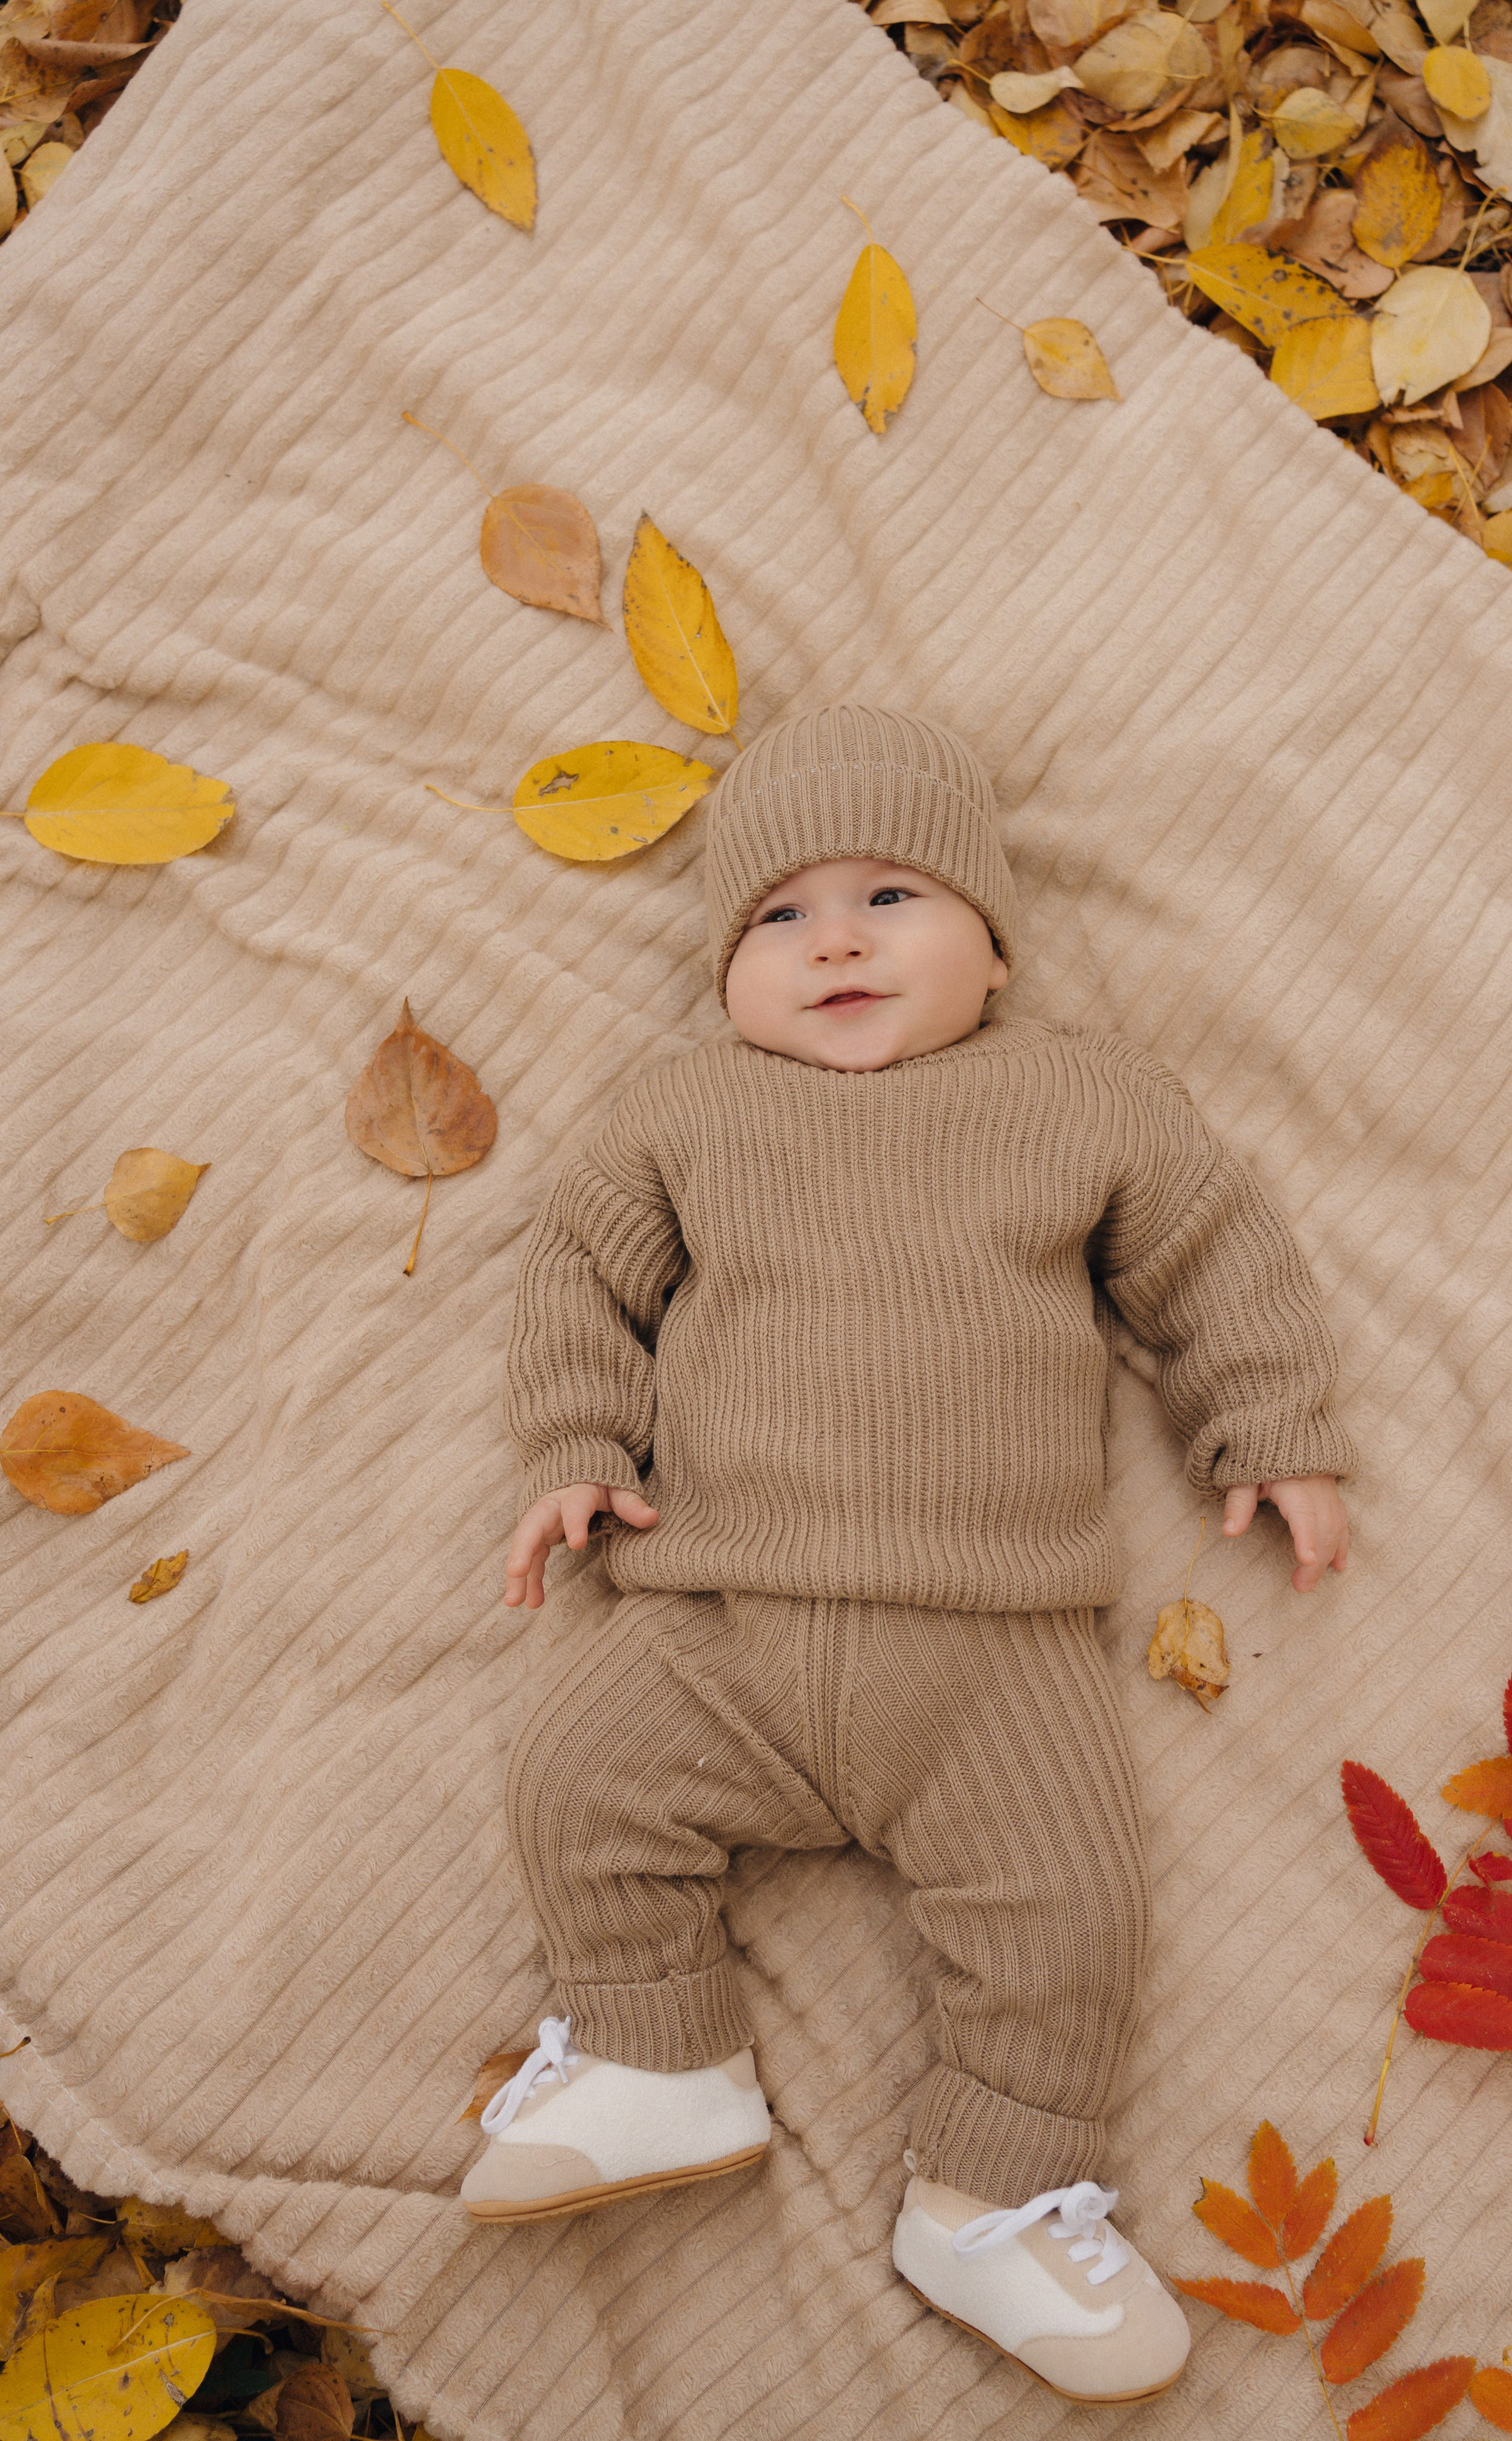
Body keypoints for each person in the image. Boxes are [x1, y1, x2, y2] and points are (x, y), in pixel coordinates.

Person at [461, 704, 1354, 2408]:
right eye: (779, 916)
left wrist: (1275, 1425)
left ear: (998, 948)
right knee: (572, 1771)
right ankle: (657, 2053)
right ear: (724, 968)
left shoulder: (1084, 1097)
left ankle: (1001, 2195)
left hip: (997, 1644)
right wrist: (576, 1451)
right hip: (724, 1610)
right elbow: (577, 1279)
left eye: (893, 898)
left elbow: (1217, 1254)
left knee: (1077, 1914)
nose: (839, 941)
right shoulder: (679, 1113)